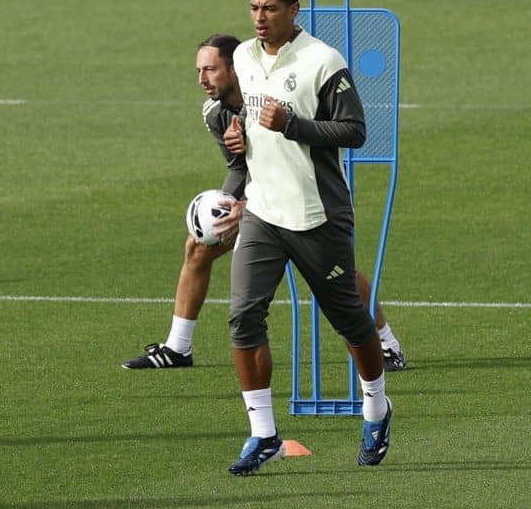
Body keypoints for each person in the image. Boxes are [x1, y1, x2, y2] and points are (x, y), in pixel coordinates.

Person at [121, 34, 406, 371]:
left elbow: (305, 150)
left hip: (306, 195)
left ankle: (387, 344)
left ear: (235, 69)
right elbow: (239, 166)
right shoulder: (215, 113)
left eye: (210, 70)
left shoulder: (272, 96)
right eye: (198, 71)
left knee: (335, 273)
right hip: (261, 202)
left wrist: (249, 203)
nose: (202, 79)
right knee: (197, 246)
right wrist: (228, 206)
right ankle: (177, 347)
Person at [222, 0, 392, 476]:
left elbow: (355, 130)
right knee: (243, 316)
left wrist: (293, 124)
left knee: (350, 321)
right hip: (262, 213)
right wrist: (239, 136)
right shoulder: (243, 56)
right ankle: (264, 434)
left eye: (271, 8)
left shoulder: (323, 61)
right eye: (254, 7)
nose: (260, 17)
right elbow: (248, 116)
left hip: (317, 216)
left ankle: (377, 407)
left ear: (294, 10)